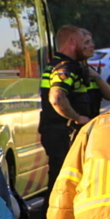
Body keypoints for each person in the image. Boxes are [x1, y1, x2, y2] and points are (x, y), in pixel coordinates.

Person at [40, 25, 93, 192]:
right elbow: (56, 98)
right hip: (63, 134)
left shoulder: (57, 64)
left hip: (56, 132)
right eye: (81, 42)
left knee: (59, 180)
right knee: (63, 184)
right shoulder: (66, 67)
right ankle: (55, 218)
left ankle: (51, 217)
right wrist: (77, 117)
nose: (85, 46)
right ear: (71, 42)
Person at [79, 29, 110, 120]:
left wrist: (97, 77)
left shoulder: (91, 70)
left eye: (91, 41)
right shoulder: (70, 71)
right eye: (87, 42)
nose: (92, 45)